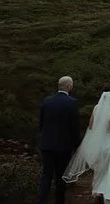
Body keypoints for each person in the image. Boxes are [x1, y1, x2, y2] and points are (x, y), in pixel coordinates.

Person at [63, 85, 110, 204]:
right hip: (108, 144)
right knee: (108, 170)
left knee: (99, 170)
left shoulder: (96, 108)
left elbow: (91, 126)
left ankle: (98, 192)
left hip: (98, 145)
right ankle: (107, 194)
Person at [38, 75, 82, 204]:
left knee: (46, 175)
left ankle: (42, 201)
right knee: (60, 176)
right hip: (63, 147)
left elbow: (41, 123)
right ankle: (59, 201)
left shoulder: (47, 101)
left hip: (46, 144)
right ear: (69, 86)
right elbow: (74, 126)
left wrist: (42, 138)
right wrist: (77, 144)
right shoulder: (72, 102)